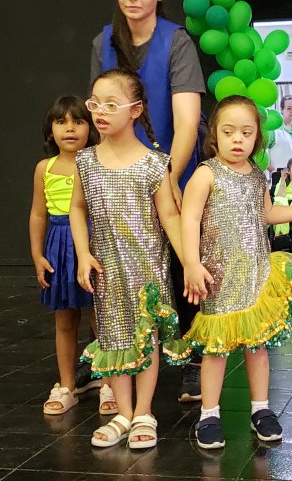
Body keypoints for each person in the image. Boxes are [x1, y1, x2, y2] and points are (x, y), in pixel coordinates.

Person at [181, 95, 292, 449]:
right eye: (229, 131)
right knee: (216, 351)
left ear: (257, 138)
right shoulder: (206, 174)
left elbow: (267, 214)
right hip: (218, 277)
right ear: (214, 135)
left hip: (255, 274)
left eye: (246, 133)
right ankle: (209, 413)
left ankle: (261, 409)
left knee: (258, 346)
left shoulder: (256, 175)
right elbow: (189, 218)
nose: (237, 139)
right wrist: (191, 262)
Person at [88, 0, 206, 403]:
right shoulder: (104, 43)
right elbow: (97, 107)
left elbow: (187, 121)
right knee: (116, 270)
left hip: (172, 170)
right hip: (117, 175)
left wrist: (170, 179)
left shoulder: (176, 42)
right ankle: (115, 366)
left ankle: (194, 359)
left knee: (184, 264)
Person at [70, 68, 192, 449]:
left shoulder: (155, 163)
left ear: (135, 110)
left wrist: (189, 261)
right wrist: (83, 254)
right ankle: (122, 413)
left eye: (111, 104)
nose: (100, 113)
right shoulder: (86, 161)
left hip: (148, 271)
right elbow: (77, 209)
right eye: (95, 104)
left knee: (147, 339)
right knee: (113, 339)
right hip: (107, 270)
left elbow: (170, 216)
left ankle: (143, 411)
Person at [29, 96, 103, 415]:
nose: (70, 128)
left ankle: (109, 382)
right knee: (64, 318)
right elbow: (37, 215)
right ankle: (67, 385)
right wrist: (37, 255)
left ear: (91, 127)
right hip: (59, 247)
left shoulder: (98, 162)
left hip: (94, 244)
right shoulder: (44, 168)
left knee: (101, 316)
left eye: (78, 121)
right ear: (51, 129)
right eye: (61, 122)